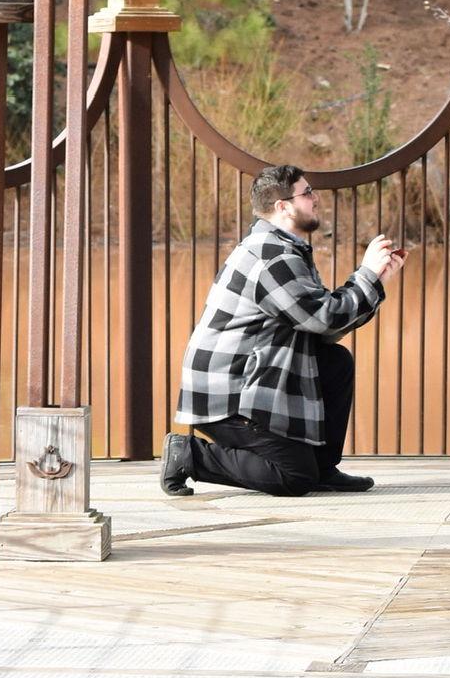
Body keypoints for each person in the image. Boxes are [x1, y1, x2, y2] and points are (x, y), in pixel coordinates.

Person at [162, 162, 407, 498]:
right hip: (228, 395)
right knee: (293, 477)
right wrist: (366, 275)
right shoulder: (271, 257)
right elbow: (325, 318)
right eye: (306, 194)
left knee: (333, 361)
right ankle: (189, 455)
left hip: (252, 382)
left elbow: (320, 331)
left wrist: (374, 281)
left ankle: (323, 467)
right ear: (282, 207)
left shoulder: (284, 249)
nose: (315, 199)